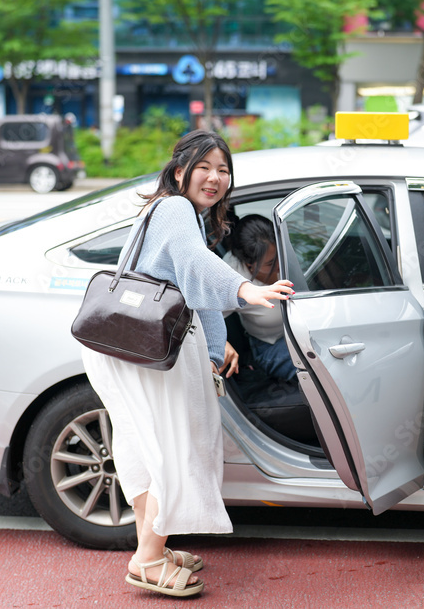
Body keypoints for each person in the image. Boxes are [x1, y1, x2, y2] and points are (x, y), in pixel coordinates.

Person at [80, 130, 294, 598]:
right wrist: (246, 290)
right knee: (176, 448)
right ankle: (148, 560)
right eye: (205, 167)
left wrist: (219, 345)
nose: (215, 178)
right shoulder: (176, 209)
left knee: (145, 447)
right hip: (148, 349)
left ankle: (150, 548)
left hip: (132, 345)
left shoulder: (180, 214)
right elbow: (194, 263)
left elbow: (190, 280)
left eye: (223, 170)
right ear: (180, 172)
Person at [222, 215, 297, 384]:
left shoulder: (289, 252)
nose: (280, 265)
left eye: (280, 254)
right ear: (250, 265)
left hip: (302, 332)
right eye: (271, 263)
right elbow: (203, 316)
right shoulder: (232, 278)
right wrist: (221, 342)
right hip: (270, 346)